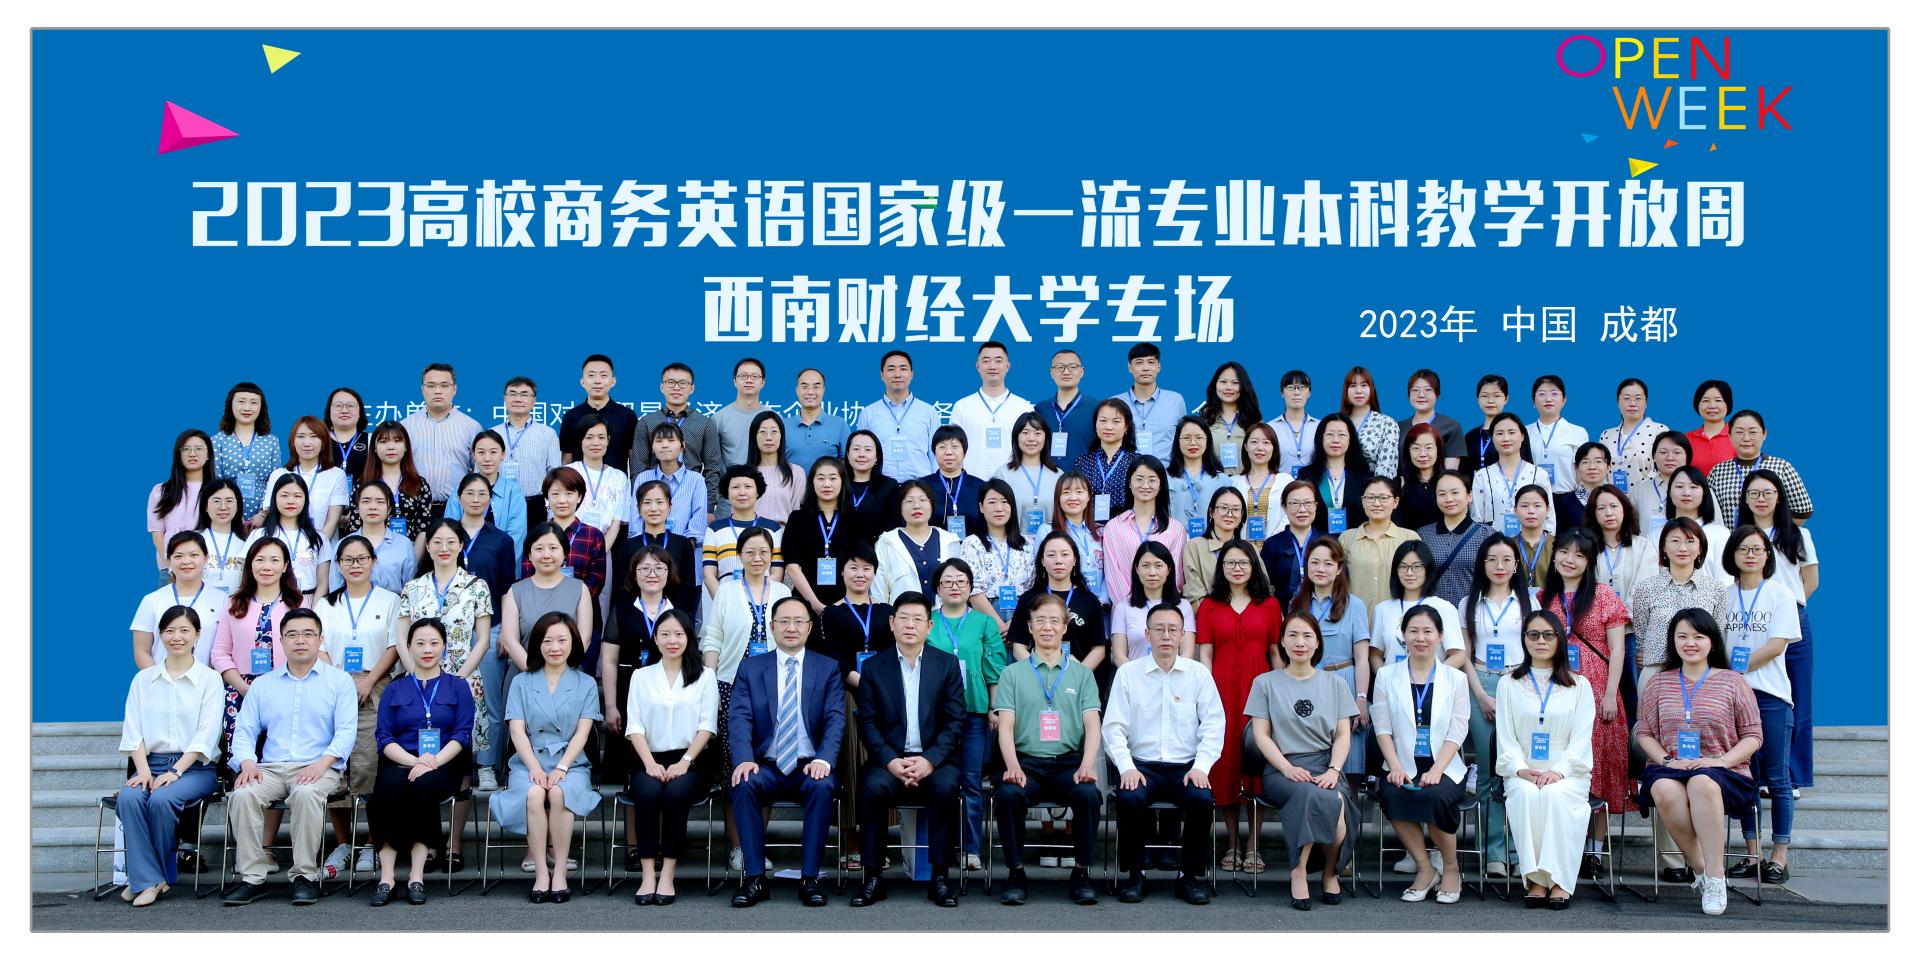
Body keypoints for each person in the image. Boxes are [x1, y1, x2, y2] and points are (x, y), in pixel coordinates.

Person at [220, 609, 356, 906]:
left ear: (320, 639)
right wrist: (247, 763)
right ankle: (252, 878)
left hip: (319, 766)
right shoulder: (263, 684)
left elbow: (346, 733)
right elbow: (244, 730)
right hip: (270, 769)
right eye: (292, 635)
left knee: (306, 794)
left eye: (308, 634)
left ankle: (304, 877)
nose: (300, 640)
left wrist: (322, 764)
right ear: (281, 641)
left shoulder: (340, 681)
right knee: (242, 794)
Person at [1634, 609, 1763, 916]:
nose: (1689, 643)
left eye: (1698, 636)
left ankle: (1715, 878)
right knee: (1663, 789)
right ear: (1673, 642)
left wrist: (1721, 761)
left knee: (1702, 782)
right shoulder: (1658, 683)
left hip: (1724, 770)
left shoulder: (1733, 682)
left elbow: (1754, 736)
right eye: (1682, 636)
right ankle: (1703, 869)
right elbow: (1644, 732)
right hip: (1670, 768)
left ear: (1712, 642)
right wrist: (1667, 760)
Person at [849, 592, 968, 908]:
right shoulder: (874, 667)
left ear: (929, 626)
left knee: (945, 787)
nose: (910, 625)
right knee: (871, 788)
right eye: (903, 618)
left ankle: (940, 877)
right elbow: (868, 723)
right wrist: (890, 760)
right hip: (889, 760)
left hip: (934, 760)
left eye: (917, 619)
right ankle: (873, 876)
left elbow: (955, 722)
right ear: (892, 623)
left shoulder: (947, 665)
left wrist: (930, 760)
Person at [726, 597, 845, 907]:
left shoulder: (827, 668)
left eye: (798, 621)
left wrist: (824, 759)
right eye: (784, 621)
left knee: (822, 786)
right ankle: (754, 878)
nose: (791, 628)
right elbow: (739, 718)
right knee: (743, 782)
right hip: (766, 765)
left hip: (810, 764)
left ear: (809, 627)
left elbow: (835, 718)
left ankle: (810, 878)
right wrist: (744, 760)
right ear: (772, 626)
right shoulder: (751, 668)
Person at [1104, 602, 1224, 905]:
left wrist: (1202, 767)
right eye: (1159, 629)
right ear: (1147, 634)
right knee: (1129, 798)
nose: (1166, 636)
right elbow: (1113, 727)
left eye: (1173, 630)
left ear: (1183, 635)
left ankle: (1189, 877)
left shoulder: (1198, 674)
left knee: (1201, 800)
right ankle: (1136, 875)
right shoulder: (1129, 674)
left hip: (1185, 766)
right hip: (1141, 765)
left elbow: (1213, 725)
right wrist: (1126, 767)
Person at [991, 593, 1104, 905]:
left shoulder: (1082, 674)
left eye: (1054, 621)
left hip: (1068, 763)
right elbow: (1006, 726)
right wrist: (1012, 766)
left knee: (1088, 795)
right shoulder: (1012, 673)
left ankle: (1081, 872)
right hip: (1026, 762)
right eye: (1040, 621)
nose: (1047, 627)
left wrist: (1087, 764)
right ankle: (1015, 872)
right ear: (1029, 627)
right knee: (1008, 794)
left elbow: (1093, 725)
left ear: (1065, 627)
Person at [1246, 611, 1362, 909]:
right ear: (1282, 642)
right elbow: (1261, 736)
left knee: (1337, 801)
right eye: (1293, 635)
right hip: (1281, 768)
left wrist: (1334, 770)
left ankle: (1329, 871)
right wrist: (1287, 768)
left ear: (1317, 643)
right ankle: (1298, 869)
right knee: (1310, 794)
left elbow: (1343, 735)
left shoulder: (1336, 683)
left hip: (1325, 765)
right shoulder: (1265, 683)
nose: (1300, 642)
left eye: (1307, 636)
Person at [396, 519, 494, 858]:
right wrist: (418, 676)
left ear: (461, 546)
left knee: (460, 764)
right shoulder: (413, 588)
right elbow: (401, 637)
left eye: (451, 541)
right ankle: (428, 840)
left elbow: (483, 639)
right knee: (422, 760)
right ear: (428, 546)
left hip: (463, 682)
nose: (443, 548)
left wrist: (455, 679)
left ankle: (454, 842)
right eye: (437, 541)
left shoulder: (476, 586)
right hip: (419, 685)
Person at [1540, 528, 1636, 875]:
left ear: (1589, 561)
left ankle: (1594, 849)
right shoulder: (1543, 597)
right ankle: (1566, 843)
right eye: (1564, 552)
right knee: (1561, 765)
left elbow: (1618, 649)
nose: (1570, 559)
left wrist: (1611, 693)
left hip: (1597, 692)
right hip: (1555, 692)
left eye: (1579, 555)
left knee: (1599, 768)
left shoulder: (1604, 595)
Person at [115, 605, 223, 907]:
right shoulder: (143, 680)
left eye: (185, 630)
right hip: (150, 764)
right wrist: (143, 771)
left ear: (197, 635)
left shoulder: (210, 679)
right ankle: (152, 879)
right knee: (130, 797)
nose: (177, 637)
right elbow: (133, 731)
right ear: (160, 635)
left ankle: (146, 879)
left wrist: (175, 772)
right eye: (170, 630)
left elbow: (206, 735)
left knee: (162, 799)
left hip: (195, 769)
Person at [491, 612, 601, 901]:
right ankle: (541, 872)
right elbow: (517, 730)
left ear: (573, 643)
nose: (555, 647)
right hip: (529, 761)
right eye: (547, 641)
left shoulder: (586, 683)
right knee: (534, 793)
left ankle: (560, 872)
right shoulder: (521, 682)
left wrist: (562, 766)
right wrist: (535, 768)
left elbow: (583, 733)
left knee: (560, 793)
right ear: (537, 644)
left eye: (562, 640)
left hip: (571, 762)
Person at [366, 618, 475, 907]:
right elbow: (384, 737)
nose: (427, 650)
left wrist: (432, 762)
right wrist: (415, 760)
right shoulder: (395, 689)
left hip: (443, 764)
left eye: (434, 643)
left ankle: (416, 876)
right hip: (401, 760)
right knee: (386, 790)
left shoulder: (458, 686)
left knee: (422, 787)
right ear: (409, 647)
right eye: (420, 643)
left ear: (444, 647)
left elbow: (462, 734)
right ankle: (387, 878)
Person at [315, 535, 403, 877]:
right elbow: (319, 645)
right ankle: (343, 843)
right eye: (348, 560)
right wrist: (339, 682)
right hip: (332, 687)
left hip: (375, 686)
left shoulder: (390, 600)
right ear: (338, 565)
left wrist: (368, 681)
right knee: (338, 766)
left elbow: (394, 645)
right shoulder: (326, 604)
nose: (355, 565)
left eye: (362, 558)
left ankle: (370, 841)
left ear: (373, 562)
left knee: (371, 764)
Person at [1497, 609, 1597, 908]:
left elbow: (1581, 738)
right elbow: (1506, 736)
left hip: (1568, 771)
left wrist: (1559, 771)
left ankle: (1560, 880)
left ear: (1559, 639)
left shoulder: (1579, 685)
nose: (1540, 641)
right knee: (1527, 795)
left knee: (1554, 795)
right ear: (1524, 639)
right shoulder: (1508, 683)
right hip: (1523, 769)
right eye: (1533, 634)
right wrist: (1520, 769)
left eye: (1548, 635)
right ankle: (1536, 879)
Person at [1372, 606, 1470, 904]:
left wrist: (1437, 769)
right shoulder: (1386, 676)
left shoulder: (1455, 678)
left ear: (1440, 636)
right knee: (1393, 793)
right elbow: (1382, 728)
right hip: (1402, 761)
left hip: (1444, 765)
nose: (1420, 638)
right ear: (1403, 635)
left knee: (1435, 796)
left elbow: (1457, 730)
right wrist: (1395, 766)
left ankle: (1450, 868)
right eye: (1413, 631)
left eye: (1428, 631)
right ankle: (1426, 868)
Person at [1195, 539, 1282, 875]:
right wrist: (1205, 698)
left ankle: (1254, 844)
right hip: (1221, 695)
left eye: (1243, 562)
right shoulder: (1209, 605)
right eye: (1230, 562)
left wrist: (1281, 693)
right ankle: (1232, 841)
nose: (1237, 568)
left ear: (1254, 567)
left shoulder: (1269, 604)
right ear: (1221, 567)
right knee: (1226, 764)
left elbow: (1275, 652)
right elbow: (1205, 654)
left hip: (1260, 693)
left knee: (1257, 764)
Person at [622, 607, 716, 906]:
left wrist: (685, 762)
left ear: (689, 637)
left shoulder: (705, 676)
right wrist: (649, 763)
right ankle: (648, 874)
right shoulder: (641, 676)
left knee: (675, 794)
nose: (672, 640)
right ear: (656, 639)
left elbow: (707, 726)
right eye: (665, 634)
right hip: (647, 757)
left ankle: (668, 874)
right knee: (648, 793)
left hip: (691, 760)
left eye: (678, 634)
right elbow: (634, 726)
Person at [1722, 525, 1800, 882]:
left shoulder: (1780, 594)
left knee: (1778, 778)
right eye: (1743, 549)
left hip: (1770, 697)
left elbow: (1777, 645)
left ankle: (1779, 856)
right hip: (1733, 698)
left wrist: (1737, 669)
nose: (1750, 555)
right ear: (1733, 555)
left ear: (1767, 556)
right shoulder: (1723, 596)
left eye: (1757, 549)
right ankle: (1752, 854)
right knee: (1744, 776)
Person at [1735, 469, 1818, 790]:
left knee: (1797, 698)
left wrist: (1782, 614)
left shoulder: (1798, 535)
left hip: (1792, 623)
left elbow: (1810, 581)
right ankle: (1755, 775)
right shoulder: (1737, 536)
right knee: (1752, 700)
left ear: (1779, 497)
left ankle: (1790, 777)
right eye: (1754, 493)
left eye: (1768, 493)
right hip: (1749, 625)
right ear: (1745, 499)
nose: (1761, 499)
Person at [499, 522, 594, 795]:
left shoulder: (579, 589)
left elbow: (584, 637)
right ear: (529, 554)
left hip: (569, 678)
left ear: (564, 552)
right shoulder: (516, 591)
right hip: (523, 677)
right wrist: (535, 671)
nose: (546, 554)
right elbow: (510, 638)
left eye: (553, 547)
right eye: (539, 548)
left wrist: (558, 669)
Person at [926, 559, 1009, 872]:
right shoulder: (929, 622)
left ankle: (971, 849)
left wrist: (994, 707)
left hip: (974, 713)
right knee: (940, 780)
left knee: (972, 780)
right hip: (936, 715)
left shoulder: (984, 623)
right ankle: (943, 847)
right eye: (947, 581)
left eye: (961, 581)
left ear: (970, 586)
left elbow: (994, 668)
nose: (954, 586)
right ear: (937, 588)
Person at [604, 543, 688, 837]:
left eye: (659, 568)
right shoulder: (622, 610)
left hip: (670, 697)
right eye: (645, 569)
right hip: (630, 694)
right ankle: (633, 844)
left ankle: (663, 841)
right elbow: (609, 660)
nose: (652, 574)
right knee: (635, 773)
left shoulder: (678, 611)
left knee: (666, 770)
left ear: (669, 573)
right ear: (634, 574)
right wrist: (611, 705)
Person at [1462, 535, 1534, 877]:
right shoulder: (1469, 603)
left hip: (1519, 683)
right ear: (1483, 564)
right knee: (1488, 770)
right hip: (1481, 683)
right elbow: (1464, 655)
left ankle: (1519, 851)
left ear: (1517, 565)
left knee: (1519, 768)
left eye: (1506, 560)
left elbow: (1538, 650)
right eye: (1492, 559)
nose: (1499, 566)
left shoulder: (1529, 601)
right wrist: (1480, 694)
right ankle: (1492, 851)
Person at [211, 538, 304, 772]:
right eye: (260, 560)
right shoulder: (233, 604)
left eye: (274, 560)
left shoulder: (299, 604)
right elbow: (220, 653)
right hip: (242, 690)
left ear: (285, 566)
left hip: (287, 687)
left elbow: (307, 649)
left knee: (280, 758)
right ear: (250, 565)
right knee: (243, 761)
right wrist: (244, 688)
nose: (266, 567)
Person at [1631, 518, 1732, 691]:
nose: (1682, 548)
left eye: (1690, 541)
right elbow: (1641, 635)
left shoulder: (1716, 590)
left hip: (1701, 674)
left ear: (1700, 548)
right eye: (1675, 541)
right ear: (1663, 547)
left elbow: (1718, 635)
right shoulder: (1646, 588)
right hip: (1657, 673)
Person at [632, 361, 726, 517]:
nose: (676, 387)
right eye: (670, 382)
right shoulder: (647, 422)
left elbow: (713, 468)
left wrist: (708, 507)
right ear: (662, 387)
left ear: (692, 388)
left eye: (683, 383)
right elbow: (638, 467)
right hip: (654, 500)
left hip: (692, 497)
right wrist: (641, 501)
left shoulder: (705, 423)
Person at [1004, 531, 1109, 668]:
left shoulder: (1090, 601)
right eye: (1051, 555)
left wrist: (1079, 674)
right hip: (1037, 677)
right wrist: (1039, 672)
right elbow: (1018, 647)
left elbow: (1099, 648)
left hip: (1077, 677)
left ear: (1075, 560)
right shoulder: (1028, 599)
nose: (1058, 560)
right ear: (1042, 561)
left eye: (1065, 554)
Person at [777, 458, 866, 621]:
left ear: (842, 481)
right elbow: (792, 567)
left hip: (848, 603)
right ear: (812, 482)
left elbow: (862, 564)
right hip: (805, 604)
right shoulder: (797, 518)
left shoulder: (856, 519)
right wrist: (817, 606)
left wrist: (842, 604)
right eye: (820, 478)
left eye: (833, 478)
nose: (827, 484)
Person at [130, 533, 226, 668]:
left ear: (206, 558)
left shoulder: (222, 600)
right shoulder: (151, 600)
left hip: (206, 680)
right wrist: (158, 678)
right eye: (178, 556)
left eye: (193, 555)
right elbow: (141, 651)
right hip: (160, 680)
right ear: (169, 560)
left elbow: (226, 651)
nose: (186, 561)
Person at [1102, 457, 1187, 610]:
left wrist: (1159, 609)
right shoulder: (1113, 527)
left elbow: (1176, 576)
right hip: (1126, 612)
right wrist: (1131, 608)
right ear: (1129, 483)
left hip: (1164, 611)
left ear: (1161, 484)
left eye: (1152, 480)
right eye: (1139, 479)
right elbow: (1113, 576)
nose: (1145, 485)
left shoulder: (1175, 528)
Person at [1368, 540, 1468, 669]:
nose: (1409, 573)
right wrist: (1385, 678)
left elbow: (1458, 655)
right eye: (1403, 567)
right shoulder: (1382, 609)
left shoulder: (1444, 608)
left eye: (1416, 567)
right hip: (1394, 680)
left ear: (1427, 569)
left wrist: (1434, 677)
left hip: (1432, 680)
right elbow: (1375, 655)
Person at [1707, 410, 1814, 526]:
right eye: (1739, 432)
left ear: (1764, 434)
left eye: (1752, 432)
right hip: (1731, 537)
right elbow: (1707, 511)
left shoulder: (1782, 467)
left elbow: (1803, 511)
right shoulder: (1718, 471)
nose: (1746, 438)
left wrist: (1778, 532)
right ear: (1729, 436)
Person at [400, 363, 482, 514]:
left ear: (454, 389)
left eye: (444, 385)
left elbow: (478, 470)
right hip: (414, 509)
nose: (437, 391)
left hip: (457, 509)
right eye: (431, 385)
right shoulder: (406, 426)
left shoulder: (471, 427)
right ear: (422, 389)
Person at [947, 341, 1035, 479]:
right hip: (971, 481)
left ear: (1007, 366)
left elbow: (1032, 450)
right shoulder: (962, 406)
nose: (992, 366)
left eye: (998, 361)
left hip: (1014, 481)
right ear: (978, 366)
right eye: (986, 361)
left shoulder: (1024, 407)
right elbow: (953, 447)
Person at [958, 479, 1037, 634]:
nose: (999, 508)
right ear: (981, 507)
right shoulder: (972, 543)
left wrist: (1017, 622)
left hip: (1023, 614)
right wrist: (999, 626)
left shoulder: (1028, 543)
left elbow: (1034, 588)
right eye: (992, 502)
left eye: (1004, 502)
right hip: (985, 614)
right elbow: (973, 590)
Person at [445, 473, 522, 629]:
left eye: (482, 494)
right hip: (449, 622)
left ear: (490, 498)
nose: (476, 499)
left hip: (491, 623)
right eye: (470, 493)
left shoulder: (502, 540)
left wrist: (506, 629)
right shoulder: (446, 536)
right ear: (459, 498)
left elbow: (506, 588)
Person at [855, 350, 940, 483]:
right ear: (881, 375)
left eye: (903, 369)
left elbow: (936, 454)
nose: (897, 374)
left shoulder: (928, 412)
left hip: (921, 486)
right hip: (880, 487)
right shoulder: (868, 413)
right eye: (891, 369)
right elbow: (861, 455)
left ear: (912, 374)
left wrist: (936, 486)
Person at [700, 465, 786, 595]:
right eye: (735, 487)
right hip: (726, 601)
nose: (742, 492)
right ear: (727, 493)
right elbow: (709, 574)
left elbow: (777, 573)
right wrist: (725, 601)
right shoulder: (715, 529)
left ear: (757, 492)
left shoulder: (773, 529)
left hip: (763, 600)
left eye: (748, 486)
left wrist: (756, 598)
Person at [262, 416, 351, 540]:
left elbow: (333, 520)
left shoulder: (336, 475)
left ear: (324, 442)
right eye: (301, 436)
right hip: (283, 546)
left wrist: (317, 547)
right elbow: (271, 514)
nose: (307, 443)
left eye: (314, 436)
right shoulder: (278, 475)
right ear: (293, 442)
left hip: (322, 546)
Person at [1339, 476, 1419, 613]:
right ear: (1363, 501)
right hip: (1356, 619)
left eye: (1383, 498)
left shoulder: (1409, 538)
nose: (1376, 503)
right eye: (1370, 498)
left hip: (1396, 620)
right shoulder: (1347, 538)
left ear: (1395, 502)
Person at [244, 474, 329, 603]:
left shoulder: (318, 538)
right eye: (284, 495)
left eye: (297, 496)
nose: (290, 501)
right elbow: (247, 575)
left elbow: (323, 583)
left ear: (306, 499)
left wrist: (312, 610)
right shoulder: (259, 535)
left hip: (307, 600)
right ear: (274, 498)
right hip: (268, 600)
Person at [872, 480, 961, 603]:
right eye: (909, 501)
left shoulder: (950, 541)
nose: (916, 506)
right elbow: (878, 591)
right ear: (900, 507)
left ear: (932, 505)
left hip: (943, 614)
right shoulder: (886, 542)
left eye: (922, 500)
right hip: (902, 614)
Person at [347, 421, 436, 543]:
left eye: (397, 441)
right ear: (374, 448)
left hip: (410, 552)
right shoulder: (362, 484)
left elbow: (423, 530)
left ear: (406, 447)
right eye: (383, 442)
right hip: (369, 552)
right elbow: (356, 526)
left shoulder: (419, 484)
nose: (390, 447)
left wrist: (411, 555)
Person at [442, 431, 527, 559]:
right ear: (473, 455)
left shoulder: (513, 491)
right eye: (481, 452)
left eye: (493, 452)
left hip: (500, 563)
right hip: (464, 562)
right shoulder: (460, 489)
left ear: (503, 455)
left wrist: (494, 561)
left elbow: (516, 535)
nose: (487, 458)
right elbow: (449, 529)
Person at [1471, 413, 1557, 537]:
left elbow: (1549, 519)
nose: (1506, 438)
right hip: (1494, 546)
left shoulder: (1539, 474)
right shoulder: (1482, 476)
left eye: (1511, 432)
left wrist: (1545, 546)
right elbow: (1476, 519)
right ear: (1492, 438)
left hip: (1531, 546)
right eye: (1499, 433)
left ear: (1522, 436)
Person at [1417, 470, 1492, 609]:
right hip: (1433, 615)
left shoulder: (1487, 535)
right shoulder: (1423, 535)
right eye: (1442, 494)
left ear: (1469, 495)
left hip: (1473, 613)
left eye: (1455, 492)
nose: (1449, 499)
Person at [494, 376, 563, 527]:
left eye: (524, 394)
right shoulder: (493, 434)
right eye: (512, 393)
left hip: (535, 506)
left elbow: (555, 476)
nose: (518, 399)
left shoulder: (547, 434)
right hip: (498, 504)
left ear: (534, 401)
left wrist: (552, 512)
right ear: (504, 399)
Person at [531, 467, 607, 604]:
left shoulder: (594, 536)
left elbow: (597, 580)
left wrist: (572, 605)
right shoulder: (536, 535)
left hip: (583, 610)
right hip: (543, 610)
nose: (562, 500)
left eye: (569, 494)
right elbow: (528, 576)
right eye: (555, 494)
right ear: (547, 497)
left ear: (579, 497)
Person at [1117, 540, 1198, 665]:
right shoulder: (1123, 607)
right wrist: (1136, 675)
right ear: (1137, 569)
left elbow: (1187, 654)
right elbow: (1119, 656)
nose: (1152, 573)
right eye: (1146, 566)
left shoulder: (1183, 606)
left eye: (1158, 566)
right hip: (1135, 676)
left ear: (1168, 569)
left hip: (1174, 676)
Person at [148, 430, 212, 581]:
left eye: (198, 448)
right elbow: (157, 532)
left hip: (210, 568)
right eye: (186, 449)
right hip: (171, 569)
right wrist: (170, 563)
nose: (192, 454)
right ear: (178, 454)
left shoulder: (217, 491)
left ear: (208, 454)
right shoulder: (161, 491)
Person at [824, 546, 894, 685]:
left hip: (884, 684)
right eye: (854, 568)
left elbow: (893, 650)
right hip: (845, 687)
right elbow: (831, 654)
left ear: (874, 572)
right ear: (842, 571)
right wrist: (860, 682)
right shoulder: (831, 613)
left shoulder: (887, 611)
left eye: (866, 569)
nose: (860, 574)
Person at [629, 423, 710, 542]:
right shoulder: (643, 478)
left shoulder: (696, 480)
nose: (665, 445)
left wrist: (681, 548)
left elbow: (697, 529)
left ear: (682, 446)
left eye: (671, 440)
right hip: (648, 549)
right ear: (652, 448)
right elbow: (635, 524)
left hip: (685, 549)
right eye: (659, 441)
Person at [211, 381, 281, 519]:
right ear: (230, 404)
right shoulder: (217, 441)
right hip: (226, 515)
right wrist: (233, 516)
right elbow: (215, 481)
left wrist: (263, 514)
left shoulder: (271, 441)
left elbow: (275, 481)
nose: (247, 408)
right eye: (241, 402)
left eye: (254, 402)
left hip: (263, 518)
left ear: (261, 407)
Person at [559, 354, 640, 470]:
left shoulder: (627, 416)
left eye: (603, 375)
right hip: (579, 481)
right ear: (582, 382)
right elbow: (567, 459)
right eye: (591, 375)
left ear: (613, 381)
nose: (597, 381)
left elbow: (634, 459)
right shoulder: (571, 416)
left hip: (616, 481)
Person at [992, 411, 1065, 538]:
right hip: (1014, 544)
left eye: (1037, 433)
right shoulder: (1003, 474)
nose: (1031, 438)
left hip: (1050, 545)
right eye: (1025, 433)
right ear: (1016, 437)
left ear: (1046, 438)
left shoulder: (1058, 475)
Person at [1297, 413, 1372, 536]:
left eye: (1342, 435)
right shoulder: (1306, 475)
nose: (1335, 440)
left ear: (1350, 440)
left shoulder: (1363, 476)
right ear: (1320, 439)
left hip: (1355, 542)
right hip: (1318, 543)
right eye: (1330, 434)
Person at [1527, 375, 1590, 522]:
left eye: (1554, 393)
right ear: (1533, 401)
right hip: (1533, 501)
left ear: (1564, 400)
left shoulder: (1577, 432)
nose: (1548, 399)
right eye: (1541, 394)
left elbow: (1584, 469)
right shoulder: (1523, 432)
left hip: (1568, 499)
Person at [1112, 342, 1186, 463]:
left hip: (1166, 472)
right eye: (1139, 362)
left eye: (1151, 362)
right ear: (1129, 367)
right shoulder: (1114, 403)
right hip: (1126, 471)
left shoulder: (1175, 400)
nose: (1145, 368)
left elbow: (1183, 438)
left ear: (1159, 366)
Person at [565, 414, 630, 551]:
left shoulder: (619, 478)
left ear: (608, 440)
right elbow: (556, 517)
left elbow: (616, 522)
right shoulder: (567, 473)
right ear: (580, 439)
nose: (596, 443)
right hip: (568, 549)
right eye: (589, 437)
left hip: (604, 550)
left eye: (601, 437)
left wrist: (600, 553)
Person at [1258, 481, 1324, 610]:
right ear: (1284, 507)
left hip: (1323, 613)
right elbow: (1264, 587)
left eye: (1308, 503)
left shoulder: (1328, 542)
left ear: (1316, 505)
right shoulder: (1272, 545)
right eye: (1294, 503)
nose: (1302, 509)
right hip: (1282, 614)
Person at [1181, 486, 1249, 608]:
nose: (1229, 514)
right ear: (1211, 512)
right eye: (1223, 508)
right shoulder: (1194, 546)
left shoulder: (1250, 549)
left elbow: (1261, 587)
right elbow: (1194, 595)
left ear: (1242, 515)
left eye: (1236, 509)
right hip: (1210, 615)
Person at [1598, 378, 1669, 494]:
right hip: (1614, 501)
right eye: (1626, 398)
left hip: (1649, 497)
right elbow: (1601, 472)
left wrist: (1637, 495)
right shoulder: (1606, 435)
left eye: (1638, 398)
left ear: (1646, 403)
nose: (1632, 403)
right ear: (1618, 403)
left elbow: (1663, 469)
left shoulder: (1659, 430)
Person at [343, 481, 416, 594]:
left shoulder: (404, 545)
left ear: (389, 509)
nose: (373, 507)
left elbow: (411, 588)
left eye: (380, 502)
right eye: (366, 501)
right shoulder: (344, 544)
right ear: (357, 507)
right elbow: (336, 590)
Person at [1663, 467, 1732, 586]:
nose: (1686, 493)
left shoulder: (1720, 534)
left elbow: (1725, 582)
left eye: (1693, 487)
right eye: (1679, 486)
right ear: (1669, 492)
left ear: (1704, 492)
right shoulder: (1656, 534)